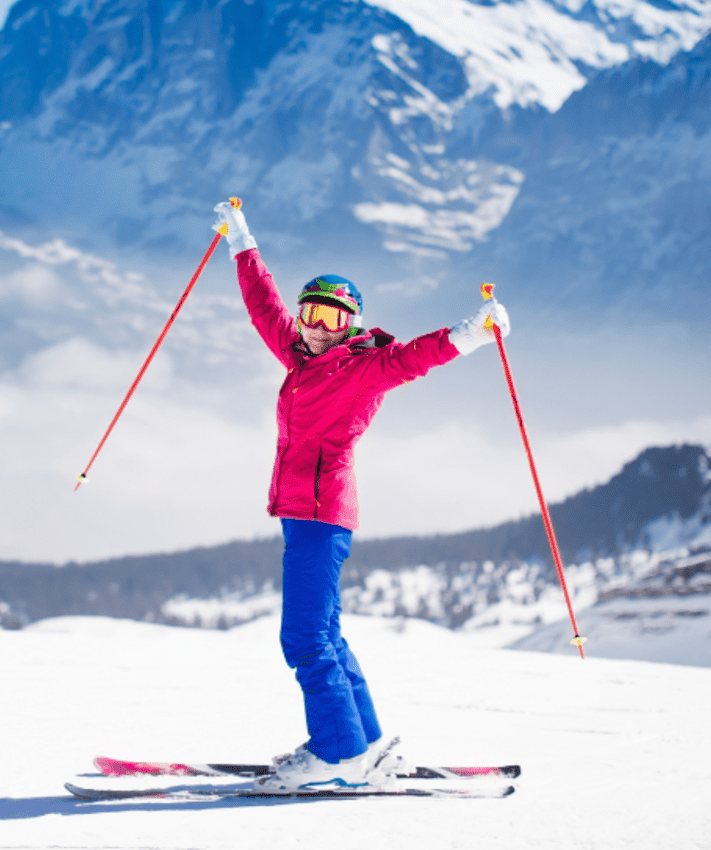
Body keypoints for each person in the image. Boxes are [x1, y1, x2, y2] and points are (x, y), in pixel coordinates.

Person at [211, 200, 510, 793]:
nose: (318, 326)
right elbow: (261, 304)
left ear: (351, 324)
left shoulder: (361, 368)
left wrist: (471, 334)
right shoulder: (297, 355)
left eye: (333, 317)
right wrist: (241, 241)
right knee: (326, 632)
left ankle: (338, 753)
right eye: (311, 313)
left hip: (321, 514)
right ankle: (365, 744)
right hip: (302, 513)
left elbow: (414, 358)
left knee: (303, 637)